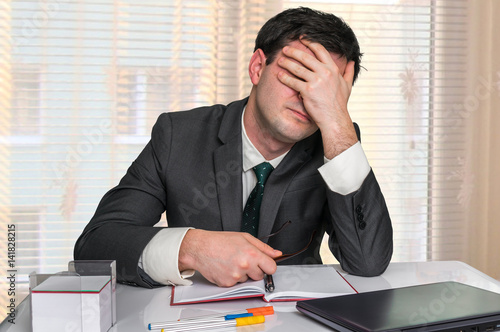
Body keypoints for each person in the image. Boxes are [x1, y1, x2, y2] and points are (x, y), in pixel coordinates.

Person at [74, 7, 393, 288]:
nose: (306, 98)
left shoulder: (336, 143)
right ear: (257, 67)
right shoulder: (177, 135)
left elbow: (368, 262)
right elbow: (96, 245)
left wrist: (338, 123)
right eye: (297, 75)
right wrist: (192, 247)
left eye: (323, 89)